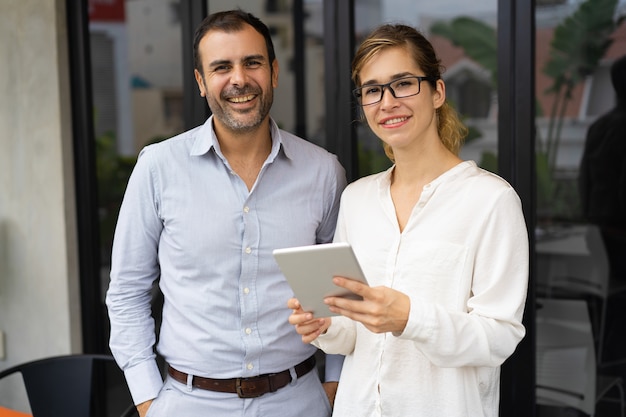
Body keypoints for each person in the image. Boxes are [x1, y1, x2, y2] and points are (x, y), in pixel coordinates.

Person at [106, 9, 346, 417]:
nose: (239, 79)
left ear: (273, 71)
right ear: (201, 82)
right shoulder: (158, 167)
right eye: (222, 67)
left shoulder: (323, 171)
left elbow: (337, 297)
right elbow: (127, 292)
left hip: (298, 400)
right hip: (186, 402)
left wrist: (334, 386)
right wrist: (148, 399)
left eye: (252, 62)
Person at [288, 24, 529, 417]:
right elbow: (354, 332)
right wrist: (326, 327)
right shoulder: (357, 199)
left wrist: (411, 318)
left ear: (437, 92)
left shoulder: (491, 200)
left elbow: (500, 336)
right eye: (372, 89)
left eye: (403, 83)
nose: (387, 102)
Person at [579, 54, 626, 280]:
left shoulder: (599, 127)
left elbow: (584, 180)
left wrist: (588, 219)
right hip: (617, 231)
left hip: (598, 230)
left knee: (606, 296)